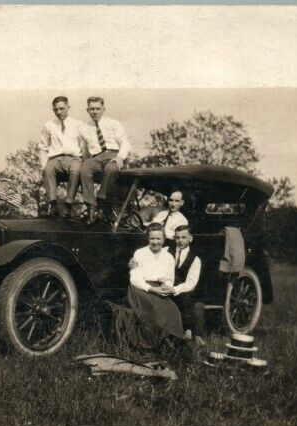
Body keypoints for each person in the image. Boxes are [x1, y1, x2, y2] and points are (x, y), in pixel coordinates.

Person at [113, 222, 184, 354]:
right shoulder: (140, 253)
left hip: (159, 289)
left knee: (173, 309)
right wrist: (152, 289)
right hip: (140, 289)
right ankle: (151, 346)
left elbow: (169, 279)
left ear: (163, 239)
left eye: (158, 238)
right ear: (148, 239)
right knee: (155, 310)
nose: (155, 242)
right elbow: (134, 279)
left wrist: (166, 288)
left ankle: (170, 344)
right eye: (152, 238)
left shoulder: (168, 257)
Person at [79, 96, 131, 224]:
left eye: (98, 108)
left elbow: (125, 142)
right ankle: (91, 206)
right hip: (96, 157)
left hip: (113, 154)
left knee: (111, 168)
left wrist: (120, 157)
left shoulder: (113, 124)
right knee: (84, 169)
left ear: (103, 109)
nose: (95, 112)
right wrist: (86, 162)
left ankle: (102, 200)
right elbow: (84, 150)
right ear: (87, 110)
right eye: (92, 109)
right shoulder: (83, 128)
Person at [38, 96, 82, 218]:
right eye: (55, 109)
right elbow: (43, 147)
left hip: (73, 157)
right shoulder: (48, 125)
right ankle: (53, 205)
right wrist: (44, 165)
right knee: (48, 169)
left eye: (61, 108)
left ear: (68, 107)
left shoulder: (78, 124)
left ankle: (68, 204)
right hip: (55, 158)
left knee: (76, 170)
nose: (58, 112)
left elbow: (83, 145)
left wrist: (84, 161)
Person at [168, 224, 205, 342]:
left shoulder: (195, 259)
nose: (180, 241)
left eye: (184, 237)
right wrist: (135, 262)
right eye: (177, 237)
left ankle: (188, 331)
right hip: (166, 289)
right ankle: (186, 330)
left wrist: (175, 289)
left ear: (190, 238)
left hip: (184, 292)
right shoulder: (166, 251)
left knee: (187, 297)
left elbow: (191, 284)